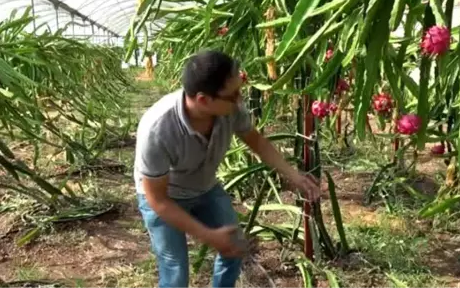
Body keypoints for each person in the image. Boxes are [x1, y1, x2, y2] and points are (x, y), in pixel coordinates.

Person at [133, 50, 321, 288]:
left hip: (205, 188)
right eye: (233, 95)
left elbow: (257, 141)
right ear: (203, 100)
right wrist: (208, 235)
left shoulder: (229, 109)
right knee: (175, 271)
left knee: (234, 249)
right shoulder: (157, 129)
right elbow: (158, 200)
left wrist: (294, 176)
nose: (240, 100)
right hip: (166, 196)